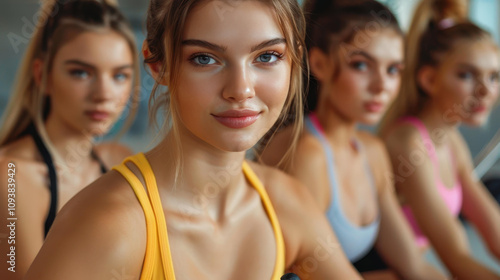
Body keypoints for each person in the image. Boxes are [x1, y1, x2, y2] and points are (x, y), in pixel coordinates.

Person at [24, 0, 363, 279]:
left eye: (267, 56)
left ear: (295, 59)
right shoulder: (107, 224)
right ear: (158, 66)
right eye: (205, 58)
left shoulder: (286, 202)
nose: (240, 89)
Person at [260, 1, 447, 279]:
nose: (382, 85)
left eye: (393, 70)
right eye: (361, 65)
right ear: (320, 64)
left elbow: (414, 266)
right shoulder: (306, 153)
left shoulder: (372, 151)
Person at [0, 0, 139, 278]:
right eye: (81, 72)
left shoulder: (119, 160)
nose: (104, 94)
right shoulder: (11, 176)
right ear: (43, 76)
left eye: (119, 75)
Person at [379, 0, 500, 278]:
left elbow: (494, 231)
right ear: (430, 79)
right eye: (467, 75)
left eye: (494, 76)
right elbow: (456, 258)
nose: (485, 91)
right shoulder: (407, 143)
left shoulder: (452, 142)